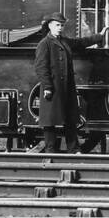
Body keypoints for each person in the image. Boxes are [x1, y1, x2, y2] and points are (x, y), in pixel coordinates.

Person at [33, 11, 91, 152]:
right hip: (53, 87)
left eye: (62, 25)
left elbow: (81, 43)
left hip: (66, 87)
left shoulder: (64, 41)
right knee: (50, 121)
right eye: (58, 25)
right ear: (51, 26)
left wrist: (100, 36)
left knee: (70, 119)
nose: (60, 28)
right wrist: (47, 86)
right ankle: (50, 151)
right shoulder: (44, 44)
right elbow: (41, 67)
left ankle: (73, 148)